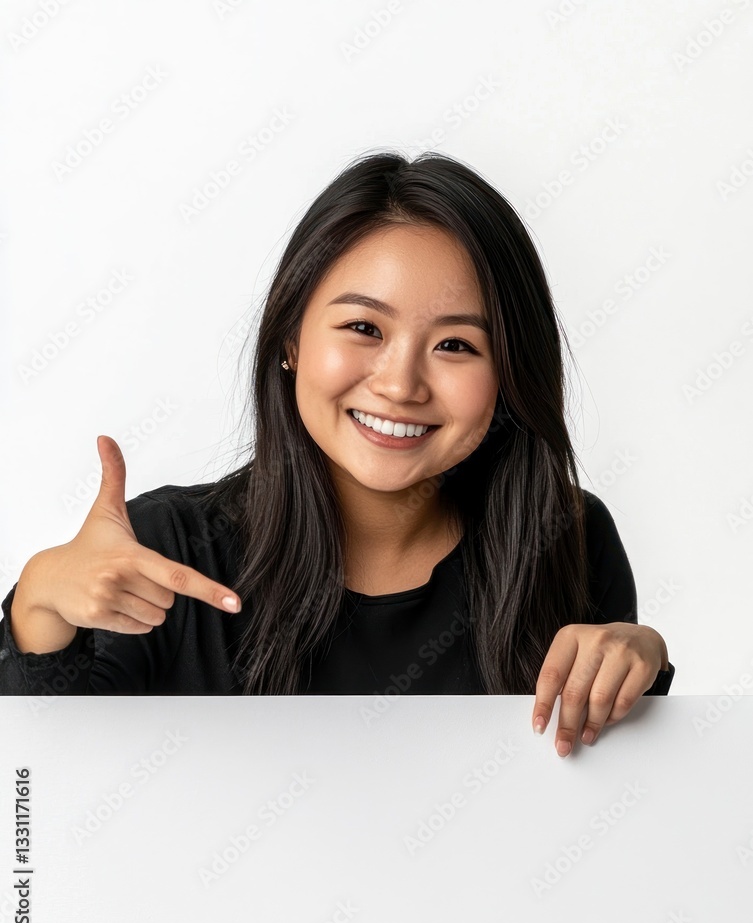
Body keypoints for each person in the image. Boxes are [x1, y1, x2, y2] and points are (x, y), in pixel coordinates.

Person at [0, 150, 675, 755]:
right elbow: (41, 815)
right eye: (362, 327)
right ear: (290, 339)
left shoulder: (565, 539)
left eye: (456, 345)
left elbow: (610, 815)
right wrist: (39, 605)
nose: (399, 383)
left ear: (508, 374)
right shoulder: (165, 556)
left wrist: (638, 674)